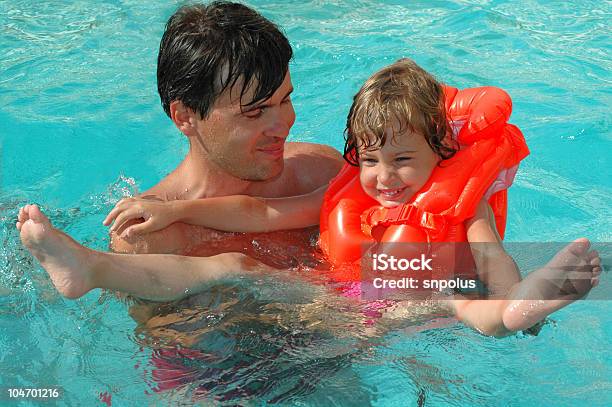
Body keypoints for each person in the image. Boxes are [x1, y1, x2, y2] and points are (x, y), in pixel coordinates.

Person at [17, 59, 601, 337]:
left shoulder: (461, 204)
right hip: (351, 300)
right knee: (232, 261)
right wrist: (178, 208)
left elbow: (491, 259)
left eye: (403, 161)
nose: (383, 177)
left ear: (440, 154)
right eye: (370, 160)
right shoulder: (348, 191)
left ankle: (528, 308)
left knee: (472, 307)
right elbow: (258, 212)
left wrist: (510, 292)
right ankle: (91, 267)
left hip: (411, 298)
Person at [109, 1, 343, 259]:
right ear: (185, 117)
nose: (284, 126)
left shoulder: (321, 175)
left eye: (285, 100)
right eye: (255, 112)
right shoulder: (151, 236)